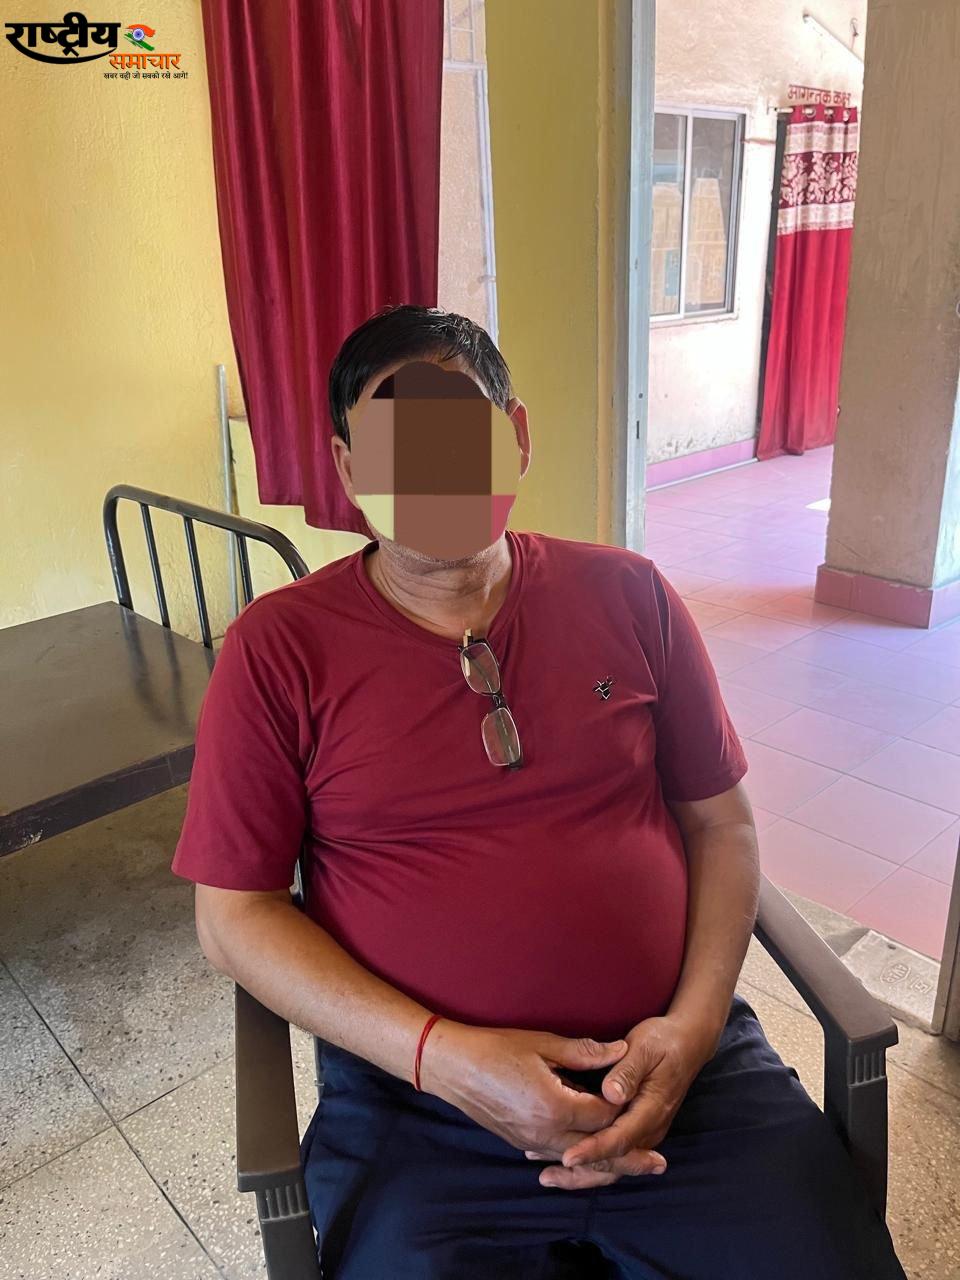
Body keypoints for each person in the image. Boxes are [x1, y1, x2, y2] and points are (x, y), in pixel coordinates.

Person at [171, 305, 906, 1279]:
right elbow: (233, 915)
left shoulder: (631, 595)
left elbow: (720, 824)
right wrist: (442, 1057)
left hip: (686, 1079)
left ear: (514, 438)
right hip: (424, 1112)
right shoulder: (278, 651)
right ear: (349, 471)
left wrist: (692, 1028)